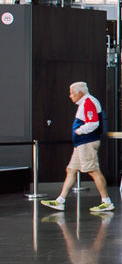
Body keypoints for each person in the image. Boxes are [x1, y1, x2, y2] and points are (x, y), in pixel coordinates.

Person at [41, 82, 114, 214]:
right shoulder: (85, 103)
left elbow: (93, 123)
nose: (70, 96)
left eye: (72, 93)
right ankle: (60, 201)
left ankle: (106, 202)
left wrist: (78, 131)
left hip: (86, 143)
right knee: (71, 169)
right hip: (81, 144)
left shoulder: (88, 102)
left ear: (80, 93)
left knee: (93, 171)